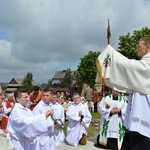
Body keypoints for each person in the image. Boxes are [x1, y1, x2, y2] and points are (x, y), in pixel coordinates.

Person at [96, 37, 150, 150]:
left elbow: (129, 66)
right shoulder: (144, 64)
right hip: (136, 119)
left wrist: (111, 53)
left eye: (139, 46)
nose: (137, 49)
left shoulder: (147, 64)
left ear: (147, 47)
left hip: (143, 118)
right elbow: (127, 80)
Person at [0, 86, 15, 150]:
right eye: (0, 94)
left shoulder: (13, 103)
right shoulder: (6, 103)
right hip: (5, 117)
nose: (3, 97)